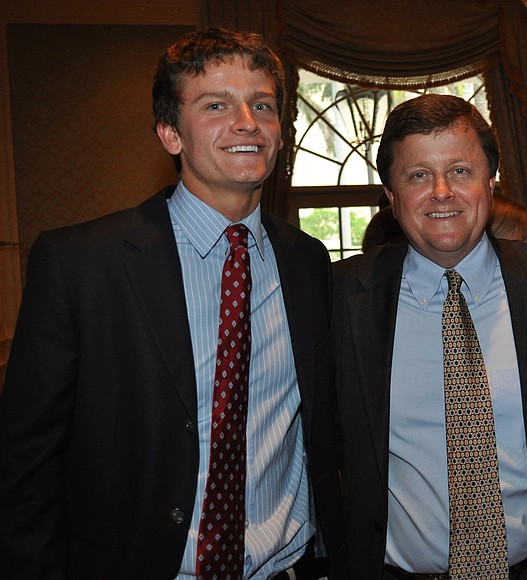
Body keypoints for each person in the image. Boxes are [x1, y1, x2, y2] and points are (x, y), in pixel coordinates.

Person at [0, 28, 345, 579]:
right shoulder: (81, 264)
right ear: (169, 134)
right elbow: (24, 463)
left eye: (262, 105)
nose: (247, 123)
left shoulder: (309, 262)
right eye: (216, 105)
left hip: (289, 566)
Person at [331, 94, 527, 579]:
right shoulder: (342, 296)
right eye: (417, 176)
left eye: (460, 171)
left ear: (490, 181)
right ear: (390, 197)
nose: (441, 191)